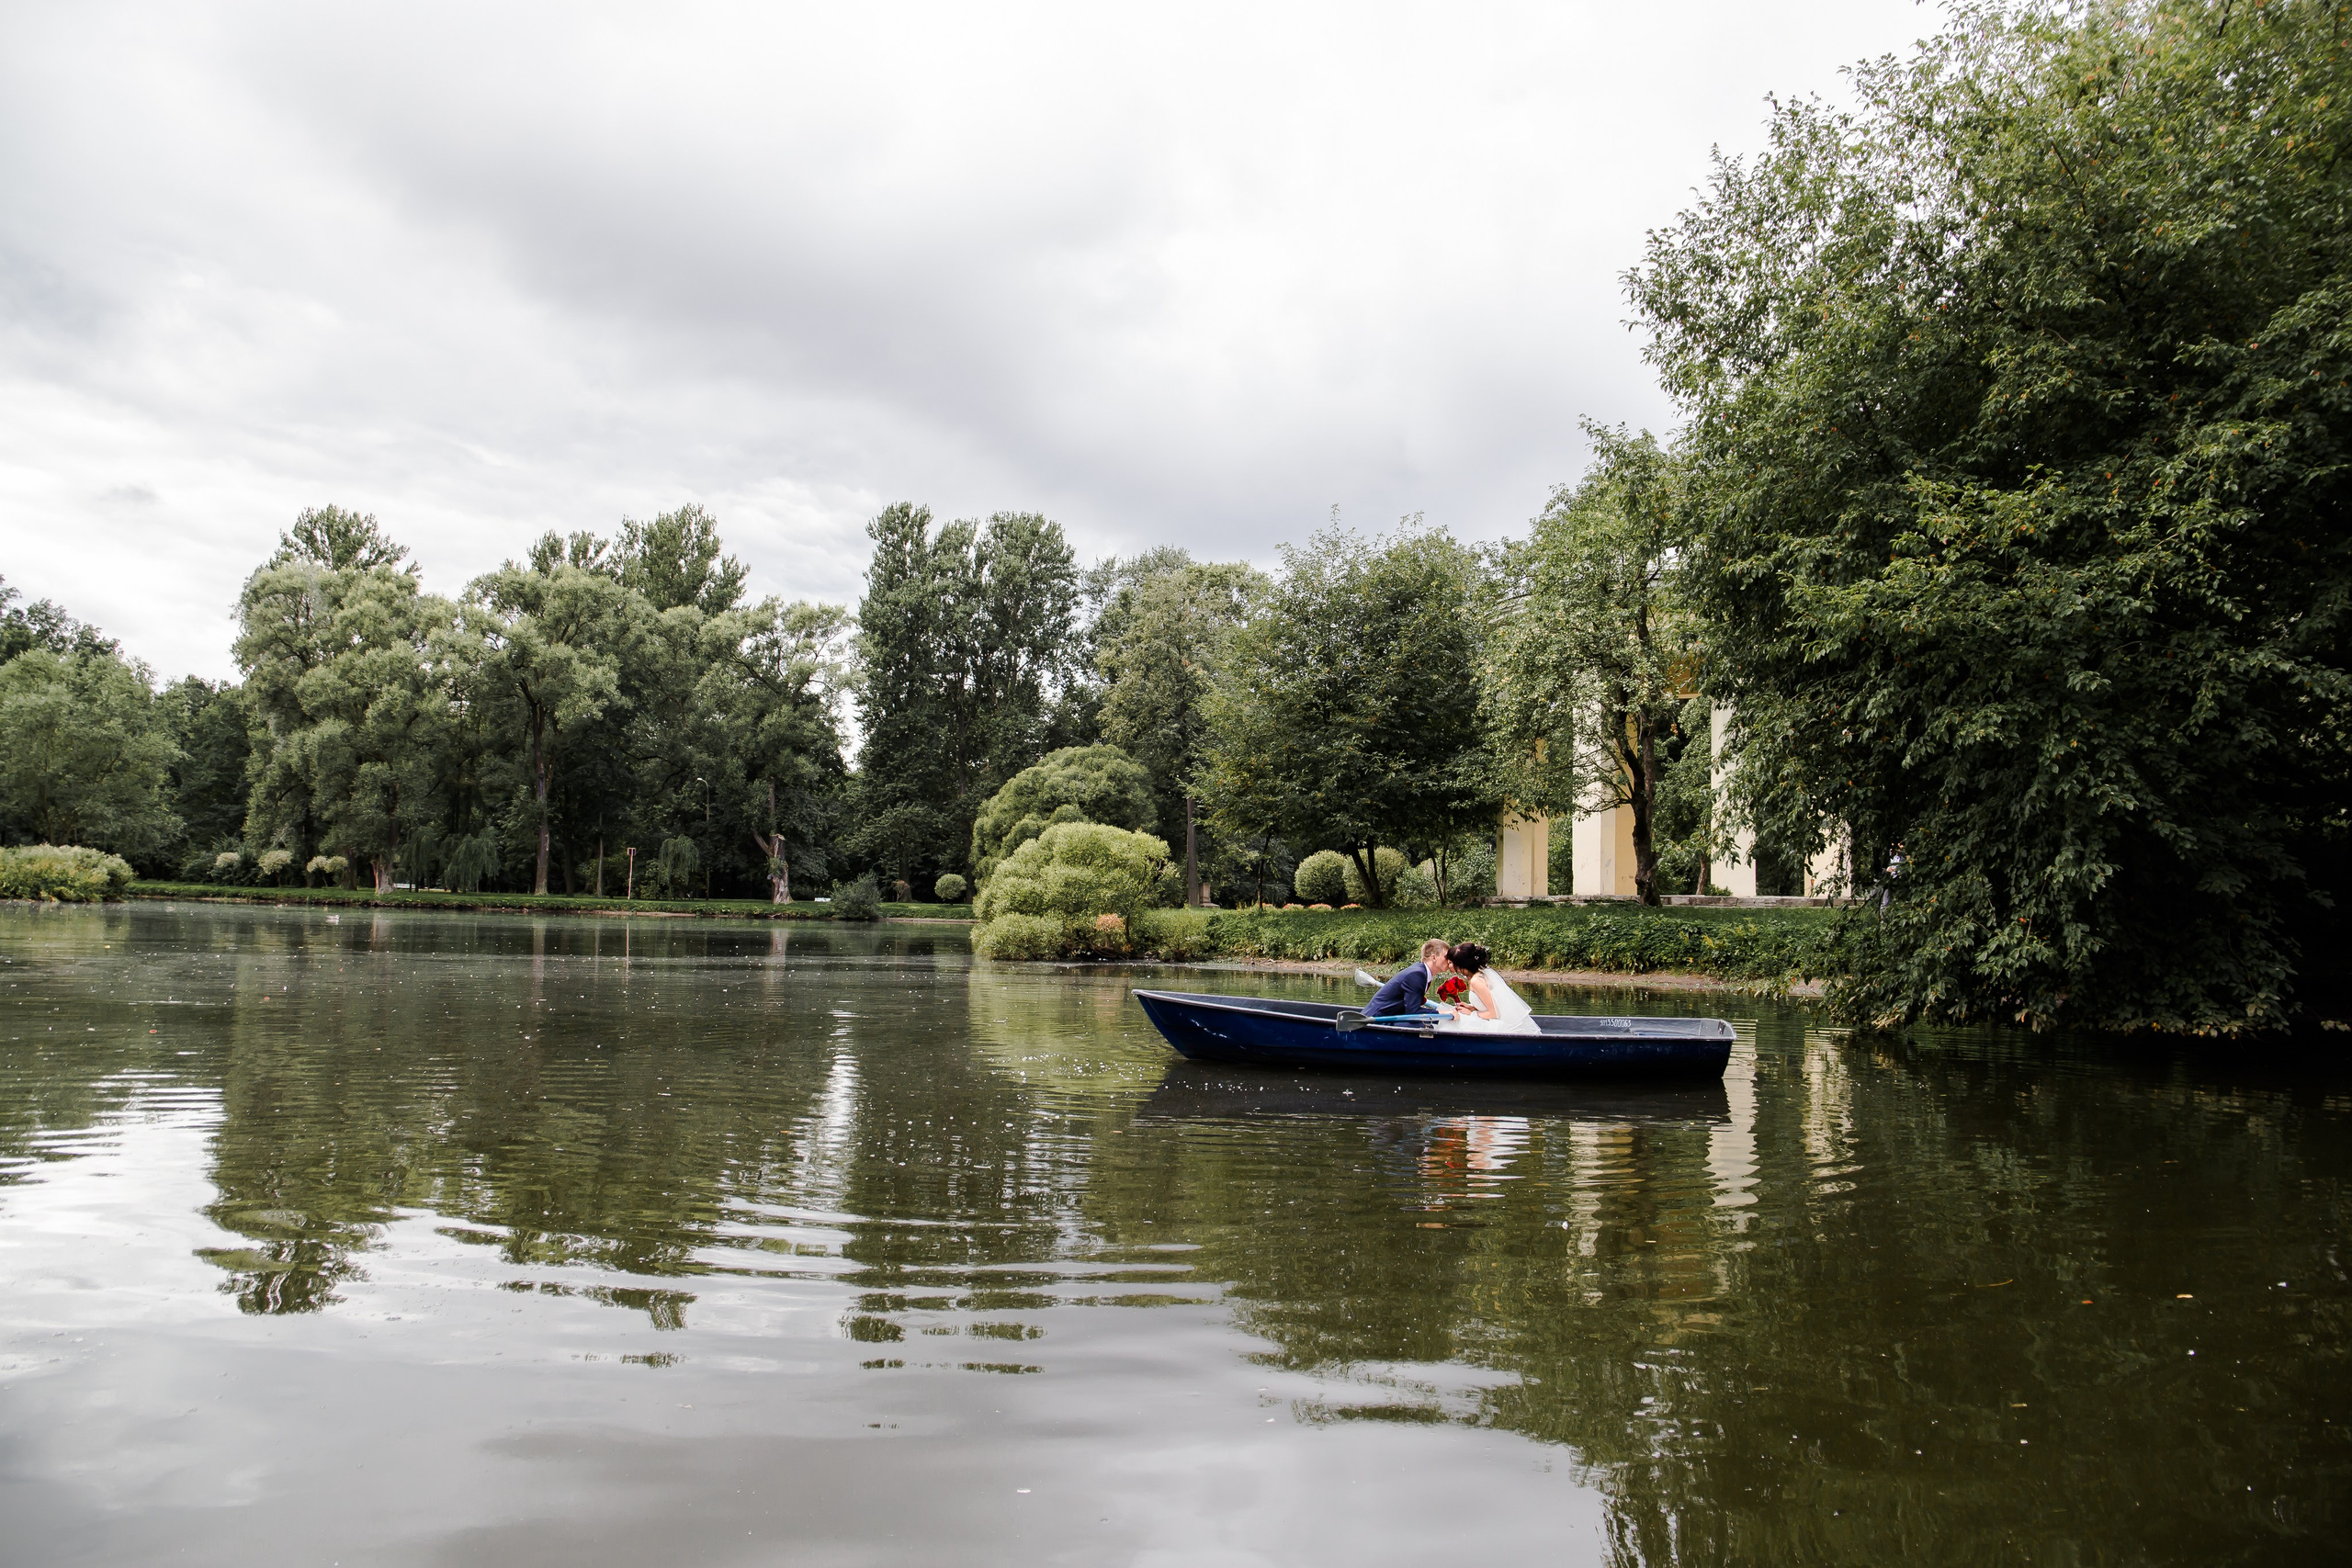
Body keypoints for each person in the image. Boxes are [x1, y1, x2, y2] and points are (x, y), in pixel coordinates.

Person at [1439, 942, 1536, 1032]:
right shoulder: (1477, 976)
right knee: (1451, 1015)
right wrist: (1472, 1008)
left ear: (1461, 964)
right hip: (1491, 1019)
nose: (1448, 965)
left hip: (1497, 1025)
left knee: (1450, 1021)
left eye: (1450, 963)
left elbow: (1495, 1013)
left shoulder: (1477, 980)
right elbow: (1492, 1004)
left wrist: (1471, 1014)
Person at [1366, 938, 1453, 1017]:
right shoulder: (1417, 975)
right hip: (1376, 1019)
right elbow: (1413, 1012)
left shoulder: (1421, 972)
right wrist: (1441, 1013)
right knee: (1427, 1026)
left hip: (1389, 1015)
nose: (1449, 960)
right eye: (1446, 957)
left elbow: (1411, 1007)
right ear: (1433, 958)